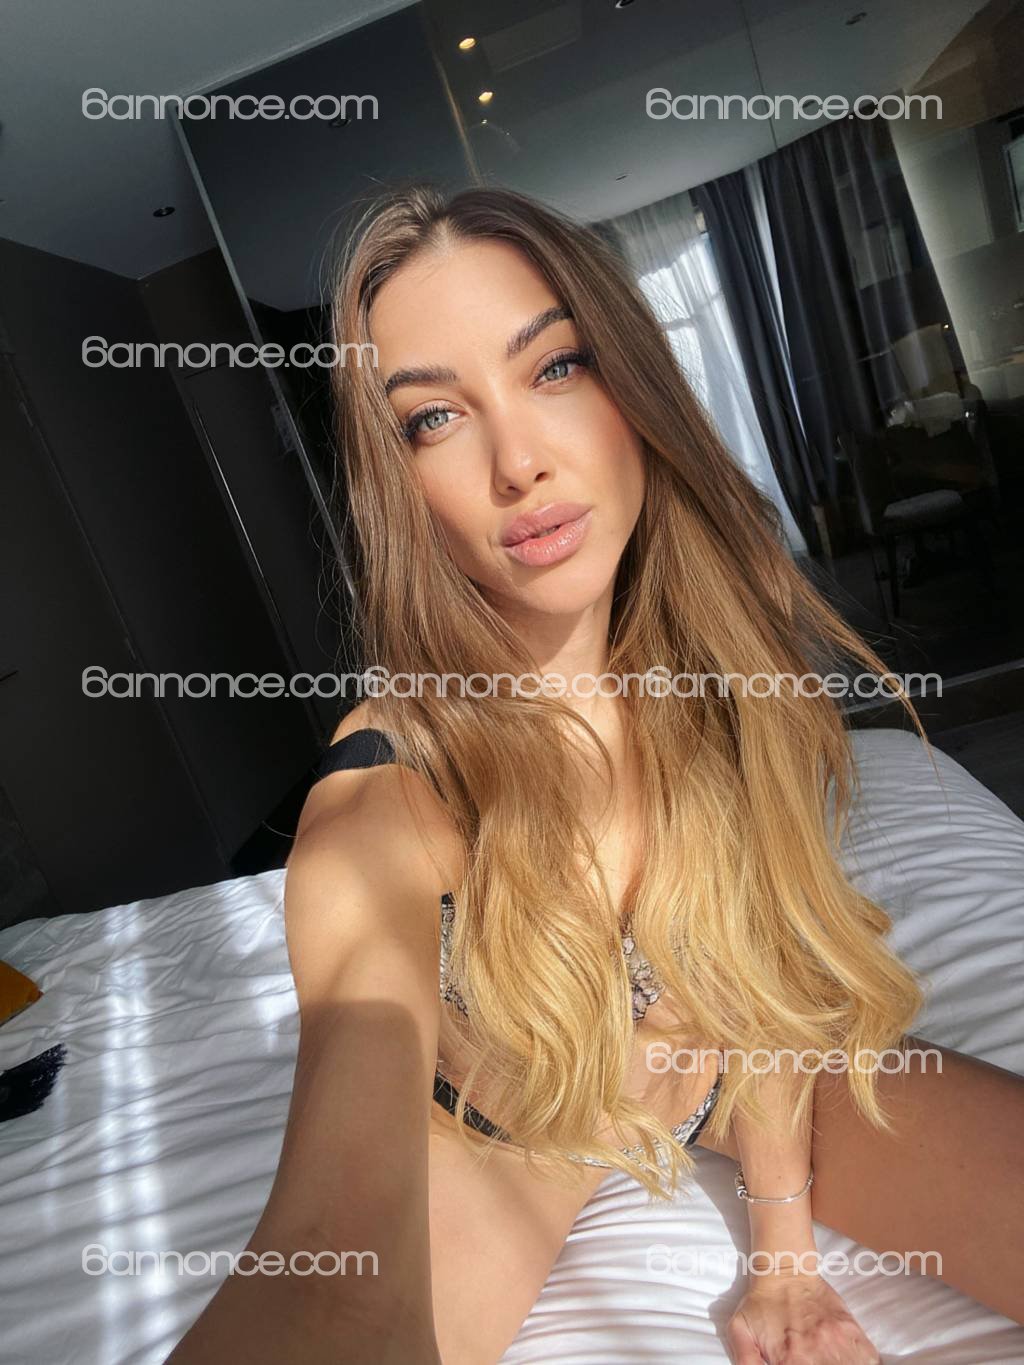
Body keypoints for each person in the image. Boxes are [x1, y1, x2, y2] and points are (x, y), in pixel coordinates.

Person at [167, 185, 1024, 1365]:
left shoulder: (722, 676)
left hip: (724, 1082)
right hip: (511, 1139)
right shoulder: (387, 792)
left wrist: (783, 1261)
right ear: (398, 484)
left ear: (634, 386)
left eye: (555, 367)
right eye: (433, 418)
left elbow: (765, 984)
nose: (517, 462)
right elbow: (331, 1262)